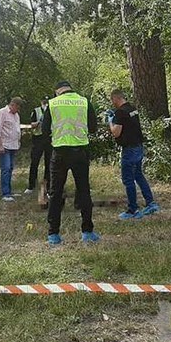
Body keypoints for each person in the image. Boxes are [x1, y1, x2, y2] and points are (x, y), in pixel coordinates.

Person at [41, 80, 99, 245]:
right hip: (80, 152)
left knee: (55, 193)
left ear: (57, 91)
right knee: (84, 191)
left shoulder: (53, 104)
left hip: (60, 152)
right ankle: (87, 232)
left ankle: (53, 234)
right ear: (70, 89)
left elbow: (44, 130)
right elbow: (93, 128)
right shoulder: (84, 102)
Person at [107, 89, 160, 220]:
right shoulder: (132, 109)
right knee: (138, 175)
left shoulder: (120, 112)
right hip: (138, 146)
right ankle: (151, 203)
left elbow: (116, 133)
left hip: (129, 149)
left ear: (116, 98)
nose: (112, 103)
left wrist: (110, 121)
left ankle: (133, 210)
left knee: (128, 179)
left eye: (112, 100)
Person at [0, 97, 24, 202]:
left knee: (10, 168)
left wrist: (18, 143)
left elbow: (17, 130)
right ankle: (5, 193)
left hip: (13, 145)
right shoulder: (1, 113)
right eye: (17, 108)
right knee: (5, 168)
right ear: (13, 104)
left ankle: (9, 192)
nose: (18, 110)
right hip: (4, 145)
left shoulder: (16, 115)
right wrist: (0, 145)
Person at [26, 96, 51, 197]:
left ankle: (48, 186)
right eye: (44, 102)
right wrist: (38, 123)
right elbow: (31, 125)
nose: (45, 103)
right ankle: (31, 186)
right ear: (41, 102)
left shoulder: (52, 110)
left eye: (47, 101)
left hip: (49, 138)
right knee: (34, 162)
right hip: (38, 139)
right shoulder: (36, 111)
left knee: (49, 163)